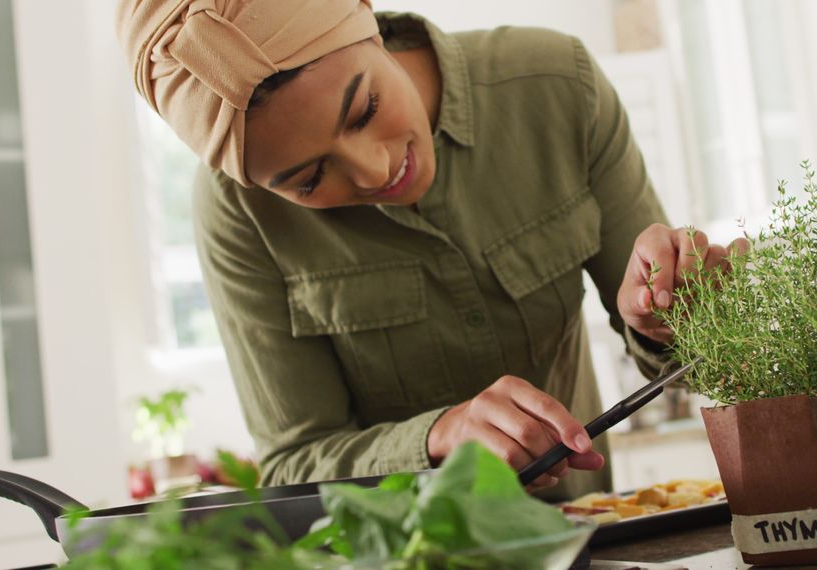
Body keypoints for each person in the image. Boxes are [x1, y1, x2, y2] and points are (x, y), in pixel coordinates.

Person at [117, 0, 745, 500]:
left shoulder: (556, 85)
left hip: (594, 535)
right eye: (308, 180)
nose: (373, 170)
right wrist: (438, 436)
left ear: (365, 19)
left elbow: (691, 359)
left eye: (364, 109)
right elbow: (293, 463)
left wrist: (666, 316)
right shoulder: (236, 209)